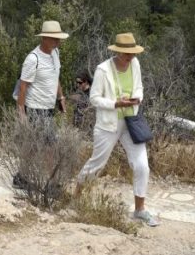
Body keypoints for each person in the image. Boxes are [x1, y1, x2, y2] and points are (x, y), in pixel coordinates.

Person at [76, 32, 159, 227]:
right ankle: (76, 198)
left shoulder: (135, 64)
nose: (129, 57)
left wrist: (136, 98)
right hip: (108, 124)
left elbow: (139, 87)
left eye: (132, 53)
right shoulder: (103, 70)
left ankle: (140, 210)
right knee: (97, 163)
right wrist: (116, 103)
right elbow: (94, 98)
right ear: (118, 52)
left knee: (141, 165)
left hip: (131, 122)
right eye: (126, 53)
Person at [15, 20, 68, 126]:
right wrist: (22, 115)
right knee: (38, 141)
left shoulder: (55, 53)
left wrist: (61, 98)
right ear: (44, 38)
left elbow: (55, 76)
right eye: (54, 39)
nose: (57, 41)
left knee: (49, 140)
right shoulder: (33, 59)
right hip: (34, 109)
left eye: (58, 38)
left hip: (49, 107)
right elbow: (23, 87)